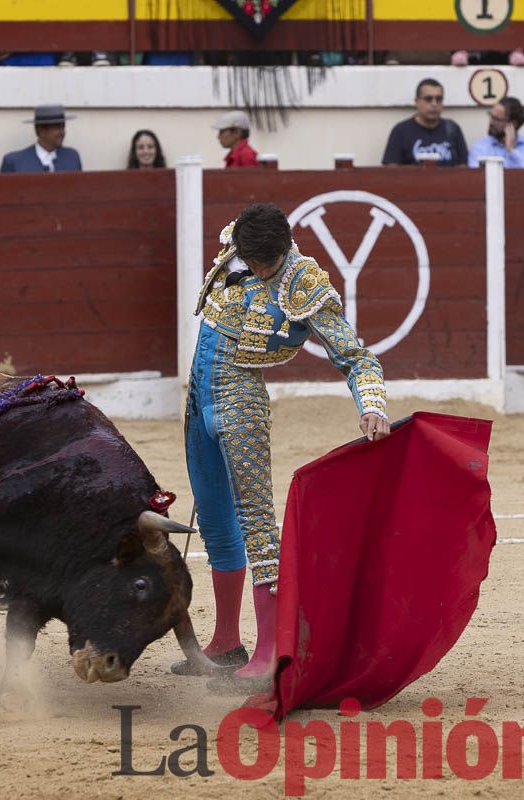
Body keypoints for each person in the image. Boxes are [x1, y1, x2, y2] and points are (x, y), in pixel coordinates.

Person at [173, 203, 390, 693]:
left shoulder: (305, 282)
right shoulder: (239, 242)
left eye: (268, 264)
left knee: (255, 519)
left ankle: (271, 650)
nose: (262, 271)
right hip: (197, 394)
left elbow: (356, 356)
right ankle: (227, 642)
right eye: (255, 262)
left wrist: (372, 404)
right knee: (214, 519)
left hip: (240, 400)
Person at [382, 79, 468, 167]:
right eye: (428, 99)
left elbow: (463, 168)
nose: (434, 104)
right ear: (416, 102)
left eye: (439, 99)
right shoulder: (401, 131)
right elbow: (391, 172)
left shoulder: (453, 129)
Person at [0, 104, 82, 173]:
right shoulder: (15, 162)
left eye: (63, 127)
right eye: (57, 127)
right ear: (41, 129)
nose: (62, 132)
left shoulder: (72, 157)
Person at [468, 96, 524, 169]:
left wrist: (512, 151)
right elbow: (475, 177)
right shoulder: (481, 147)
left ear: (513, 124)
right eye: (490, 116)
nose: (491, 122)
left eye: (496, 119)